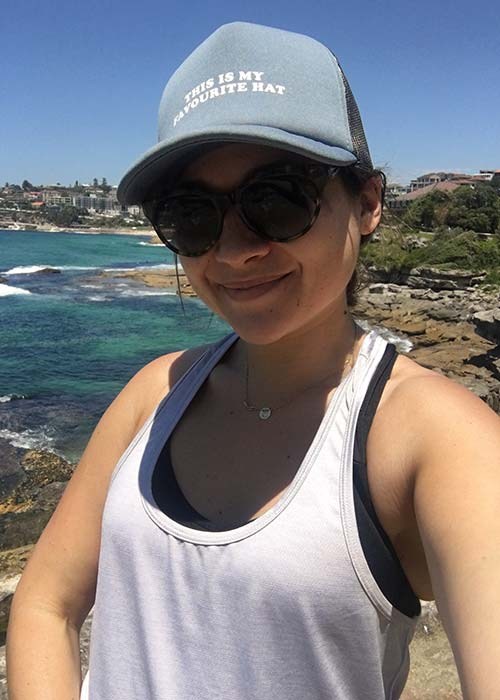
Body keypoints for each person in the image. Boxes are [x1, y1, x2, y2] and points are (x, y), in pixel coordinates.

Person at [7, 21, 500, 700]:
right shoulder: (155, 393)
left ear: (367, 204)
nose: (235, 251)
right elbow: (45, 605)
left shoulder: (439, 440)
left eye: (277, 200)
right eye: (191, 215)